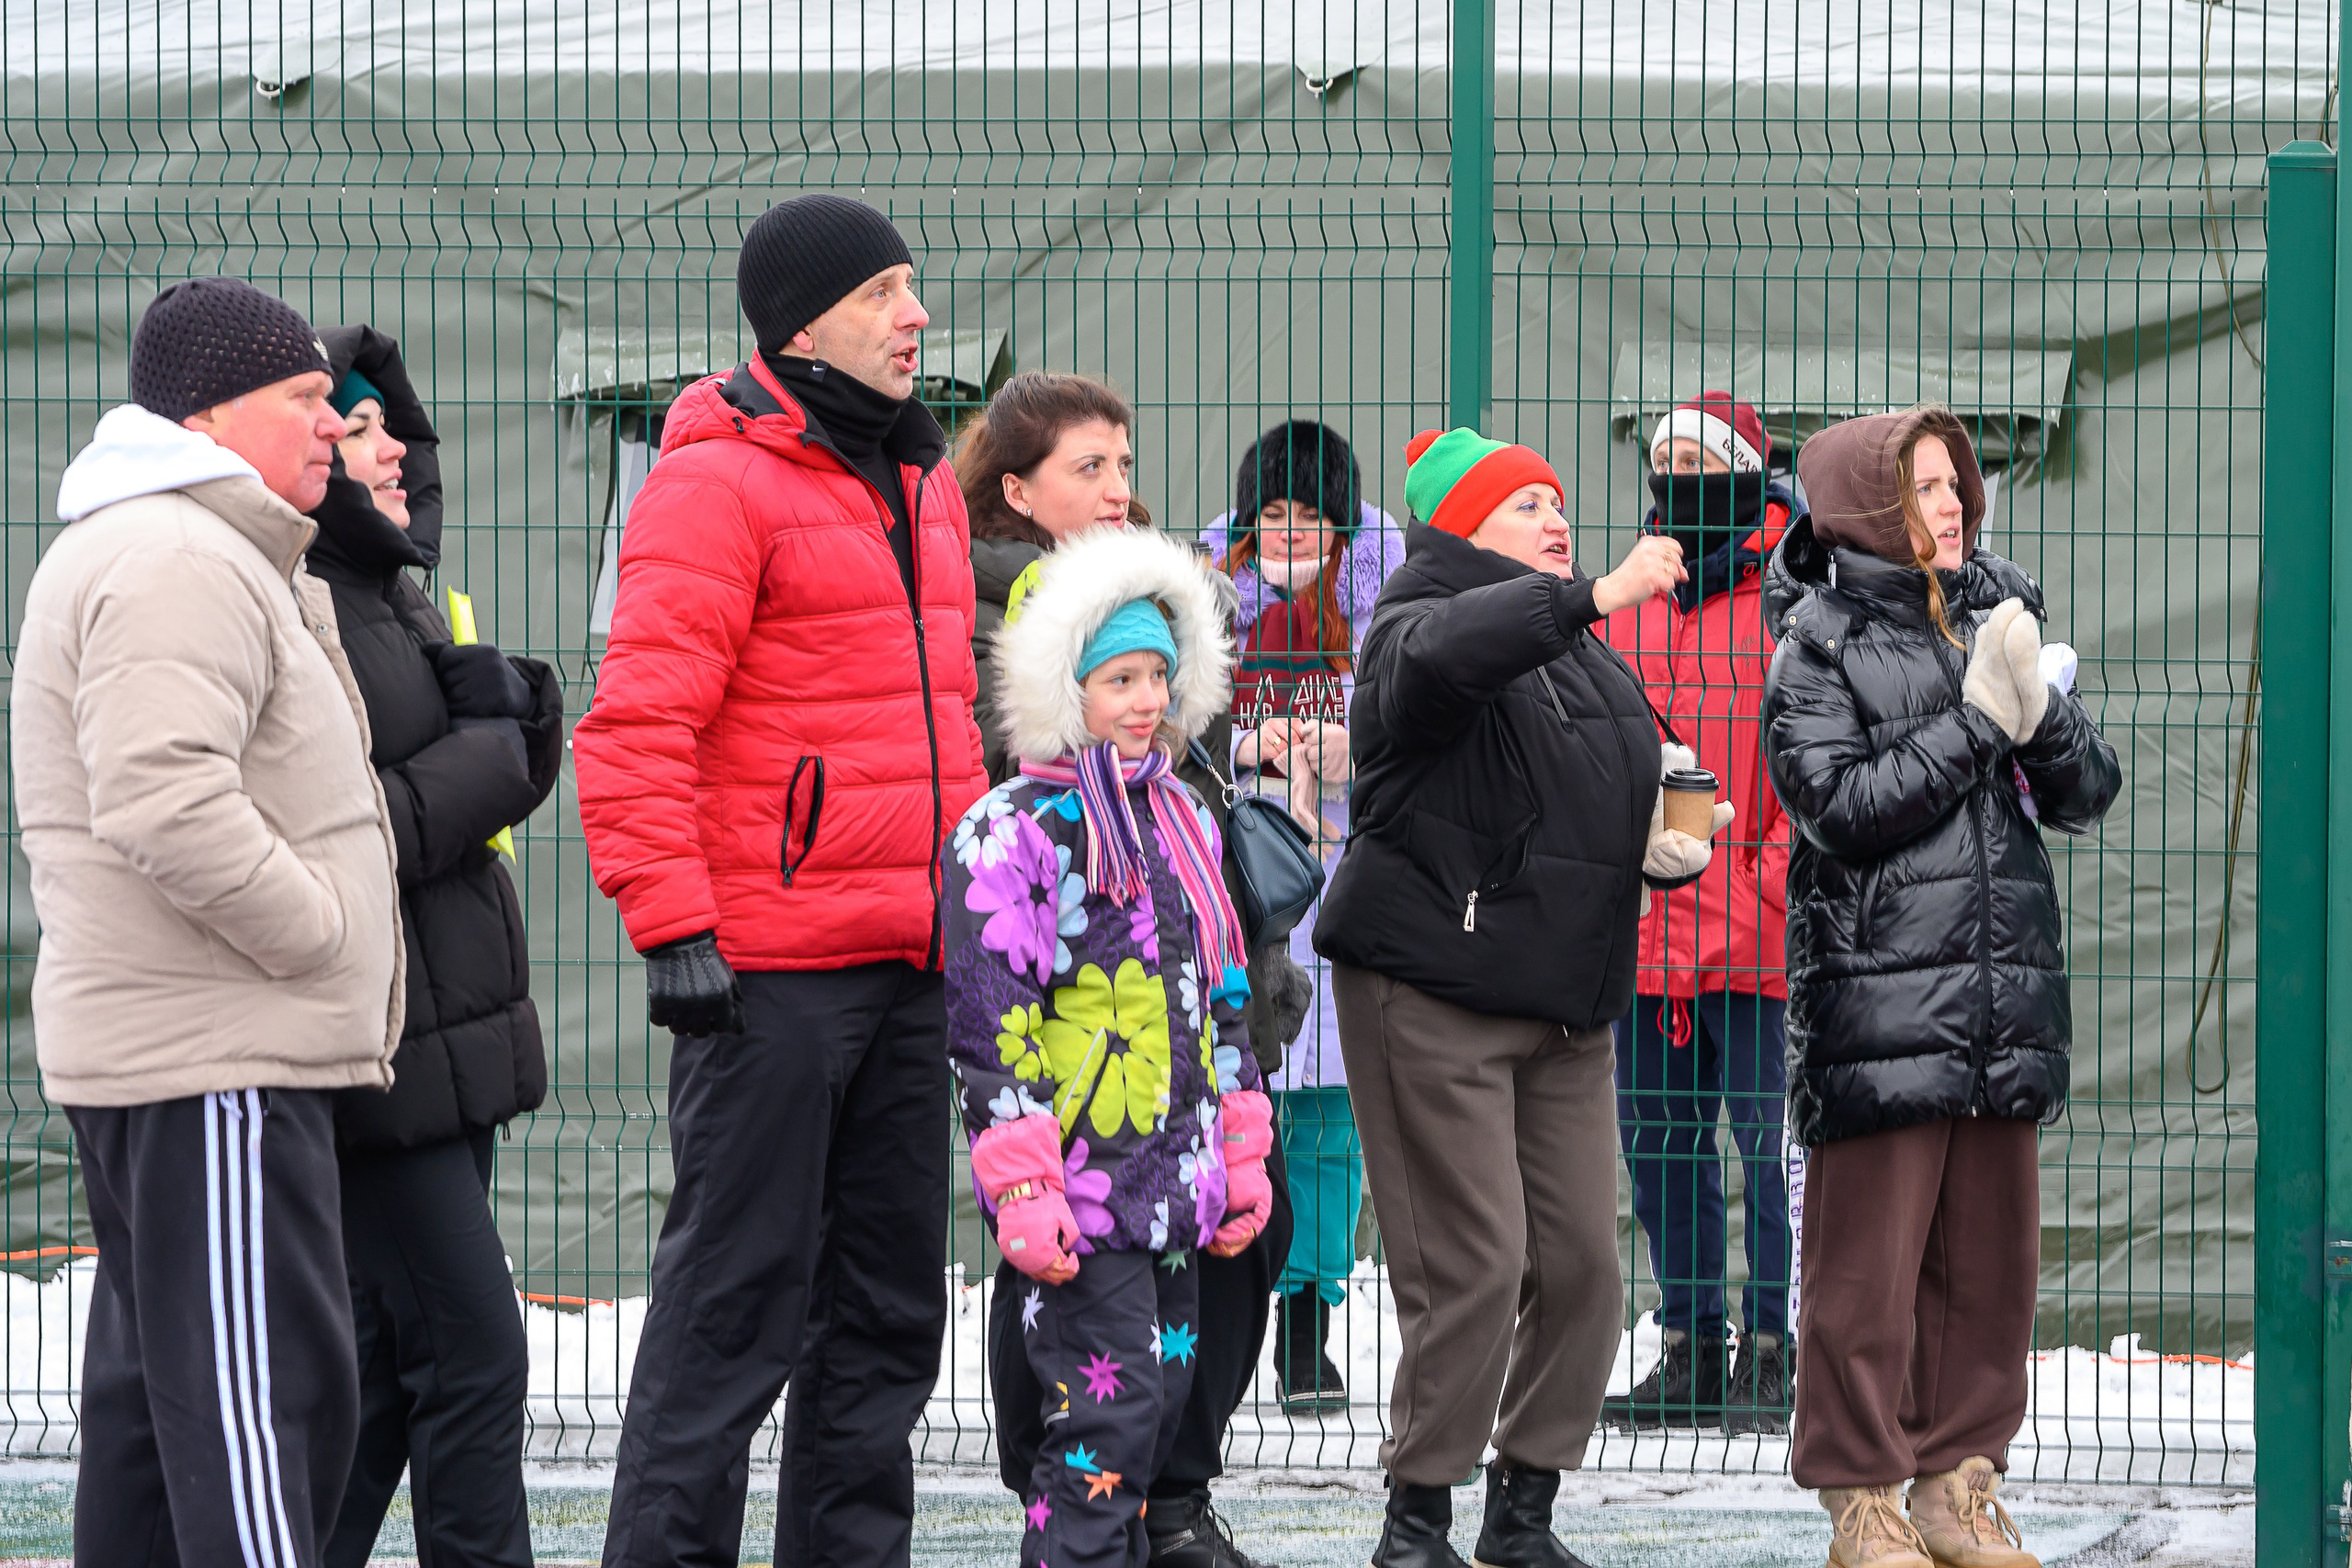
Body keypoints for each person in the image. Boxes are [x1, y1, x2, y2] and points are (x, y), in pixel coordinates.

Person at [571, 194, 990, 1568]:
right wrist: (673, 924)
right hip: (770, 977)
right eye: (882, 294)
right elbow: (637, 723)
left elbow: (943, 727)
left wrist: (970, 912)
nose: (915, 316)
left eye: (912, 287)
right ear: (801, 327)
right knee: (730, 1313)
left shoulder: (922, 481)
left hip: (910, 964)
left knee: (886, 1315)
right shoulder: (717, 483)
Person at [14, 276, 403, 1567]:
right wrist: (318, 931)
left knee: (158, 1429)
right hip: (216, 1059)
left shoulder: (198, 546)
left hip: (193, 1055)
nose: (333, 425)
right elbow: (163, 796)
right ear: (210, 415)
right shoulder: (177, 557)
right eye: (305, 398)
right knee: (261, 1418)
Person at [1315, 427, 1726, 1568]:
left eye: (1556, 501)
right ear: (1461, 528)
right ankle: (1416, 1523)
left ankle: (1522, 1511)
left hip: (1564, 1007)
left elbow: (1592, 791)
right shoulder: (1413, 622)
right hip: (1431, 991)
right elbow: (1454, 659)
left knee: (1587, 1269)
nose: (1556, 518)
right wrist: (1594, 593)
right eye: (1526, 505)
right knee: (1475, 1268)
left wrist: (1659, 840)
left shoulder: (1584, 658)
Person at [1760, 405, 2119, 1568]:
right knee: (1863, 1278)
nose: (1953, 503)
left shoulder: (1997, 612)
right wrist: (1976, 724)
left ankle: (1956, 1486)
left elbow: (2088, 791)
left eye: (1955, 482)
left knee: (1987, 1272)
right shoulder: (1813, 644)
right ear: (1867, 507)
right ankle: (1862, 1499)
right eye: (1923, 487)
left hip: (2002, 1000)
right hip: (1879, 1006)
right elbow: (1841, 807)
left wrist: (2038, 716)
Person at [956, 377, 1295, 1568]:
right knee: (1093, 1427)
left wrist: (1238, 1136)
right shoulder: (1017, 823)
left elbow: (1216, 991)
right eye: (1118, 681)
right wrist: (1022, 1177)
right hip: (1083, 1167)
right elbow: (993, 1016)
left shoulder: (1178, 816)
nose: (1145, 701)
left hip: (1181, 1167)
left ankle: (1156, 1520)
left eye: (1159, 678)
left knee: (1151, 1411)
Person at [306, 328, 564, 1568]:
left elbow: (444, 790)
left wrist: (514, 730)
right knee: (472, 1353)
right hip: (378, 1044)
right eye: (356, 428)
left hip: (444, 1029)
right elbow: (343, 831)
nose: (392, 448)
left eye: (390, 424)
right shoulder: (301, 600)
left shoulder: (388, 592)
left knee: (381, 1384)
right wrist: (491, 756)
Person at [1597, 390, 1803, 1436]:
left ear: (1749, 476)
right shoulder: (1627, 596)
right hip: (1646, 931)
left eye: (1700, 463)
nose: (1676, 478)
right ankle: (1689, 1343)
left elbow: (1812, 763)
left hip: (1761, 932)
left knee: (1770, 1152)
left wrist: (1768, 883)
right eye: (1665, 460)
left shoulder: (1790, 598)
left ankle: (1775, 1347)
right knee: (1661, 1149)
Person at [1200, 419, 1406, 1414]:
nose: (1289, 533)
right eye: (1272, 514)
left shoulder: (1385, 606)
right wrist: (1245, 748)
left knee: (1328, 1119)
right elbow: (1166, 717)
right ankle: (1221, 1304)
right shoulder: (1204, 601)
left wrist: (1353, 742)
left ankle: (1306, 1322)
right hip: (1231, 882)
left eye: (1310, 517)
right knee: (1234, 1099)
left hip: (1340, 882)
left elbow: (1417, 714)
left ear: (1342, 527)